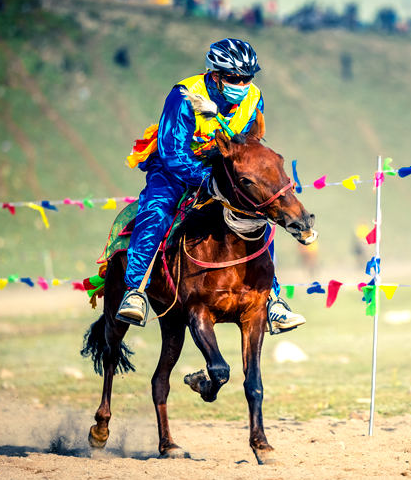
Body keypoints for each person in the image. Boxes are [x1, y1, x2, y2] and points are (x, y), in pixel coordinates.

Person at [117, 38, 305, 332]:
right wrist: (205, 179)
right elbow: (172, 151)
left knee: (259, 215)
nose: (241, 84)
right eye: (233, 78)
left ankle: (273, 300)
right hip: (173, 169)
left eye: (247, 78)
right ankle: (135, 291)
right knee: (156, 211)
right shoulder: (184, 94)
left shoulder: (254, 98)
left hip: (222, 171)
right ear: (215, 75)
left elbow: (246, 145)